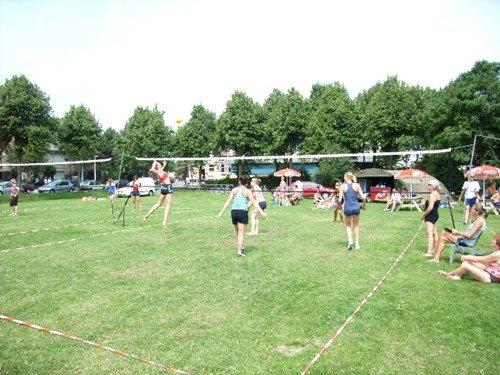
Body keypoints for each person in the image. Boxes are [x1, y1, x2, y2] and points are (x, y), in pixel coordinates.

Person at [218, 175, 267, 257]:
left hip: (234, 212)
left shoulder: (234, 190)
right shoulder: (248, 191)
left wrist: (221, 211)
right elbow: (255, 202)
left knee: (237, 232)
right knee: (241, 233)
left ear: (239, 181)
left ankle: (242, 247)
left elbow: (228, 201)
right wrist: (262, 212)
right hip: (242, 212)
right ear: (246, 182)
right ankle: (239, 252)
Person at [338, 172, 366, 250]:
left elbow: (340, 200)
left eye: (344, 176)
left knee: (348, 226)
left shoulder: (342, 186)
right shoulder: (357, 185)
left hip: (347, 208)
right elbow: (363, 198)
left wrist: (339, 207)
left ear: (347, 177)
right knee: (356, 225)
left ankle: (350, 242)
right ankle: (357, 244)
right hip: (356, 207)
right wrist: (364, 206)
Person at [143, 160, 173, 229]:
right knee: (168, 205)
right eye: (159, 164)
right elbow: (152, 169)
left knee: (158, 204)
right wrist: (155, 162)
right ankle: (164, 221)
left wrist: (164, 165)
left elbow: (160, 169)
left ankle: (146, 216)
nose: (160, 165)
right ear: (157, 166)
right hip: (168, 187)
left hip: (163, 188)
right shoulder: (158, 171)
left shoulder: (160, 171)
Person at [421, 180, 441, 257]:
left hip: (431, 215)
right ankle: (435, 249)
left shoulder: (432, 195)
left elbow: (430, 207)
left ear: (433, 186)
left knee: (430, 233)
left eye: (429, 184)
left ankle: (429, 251)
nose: (428, 186)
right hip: (435, 214)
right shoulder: (437, 194)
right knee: (434, 232)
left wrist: (423, 215)